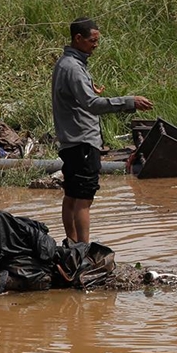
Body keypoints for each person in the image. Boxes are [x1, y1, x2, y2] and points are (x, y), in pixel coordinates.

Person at [52, 17, 153, 244]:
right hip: (82, 141)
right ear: (78, 38)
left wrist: (89, 90)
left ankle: (72, 245)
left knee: (71, 195)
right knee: (84, 199)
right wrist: (129, 101)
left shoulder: (66, 63)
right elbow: (91, 105)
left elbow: (76, 96)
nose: (96, 45)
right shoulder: (74, 68)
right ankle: (83, 248)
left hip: (71, 140)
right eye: (92, 41)